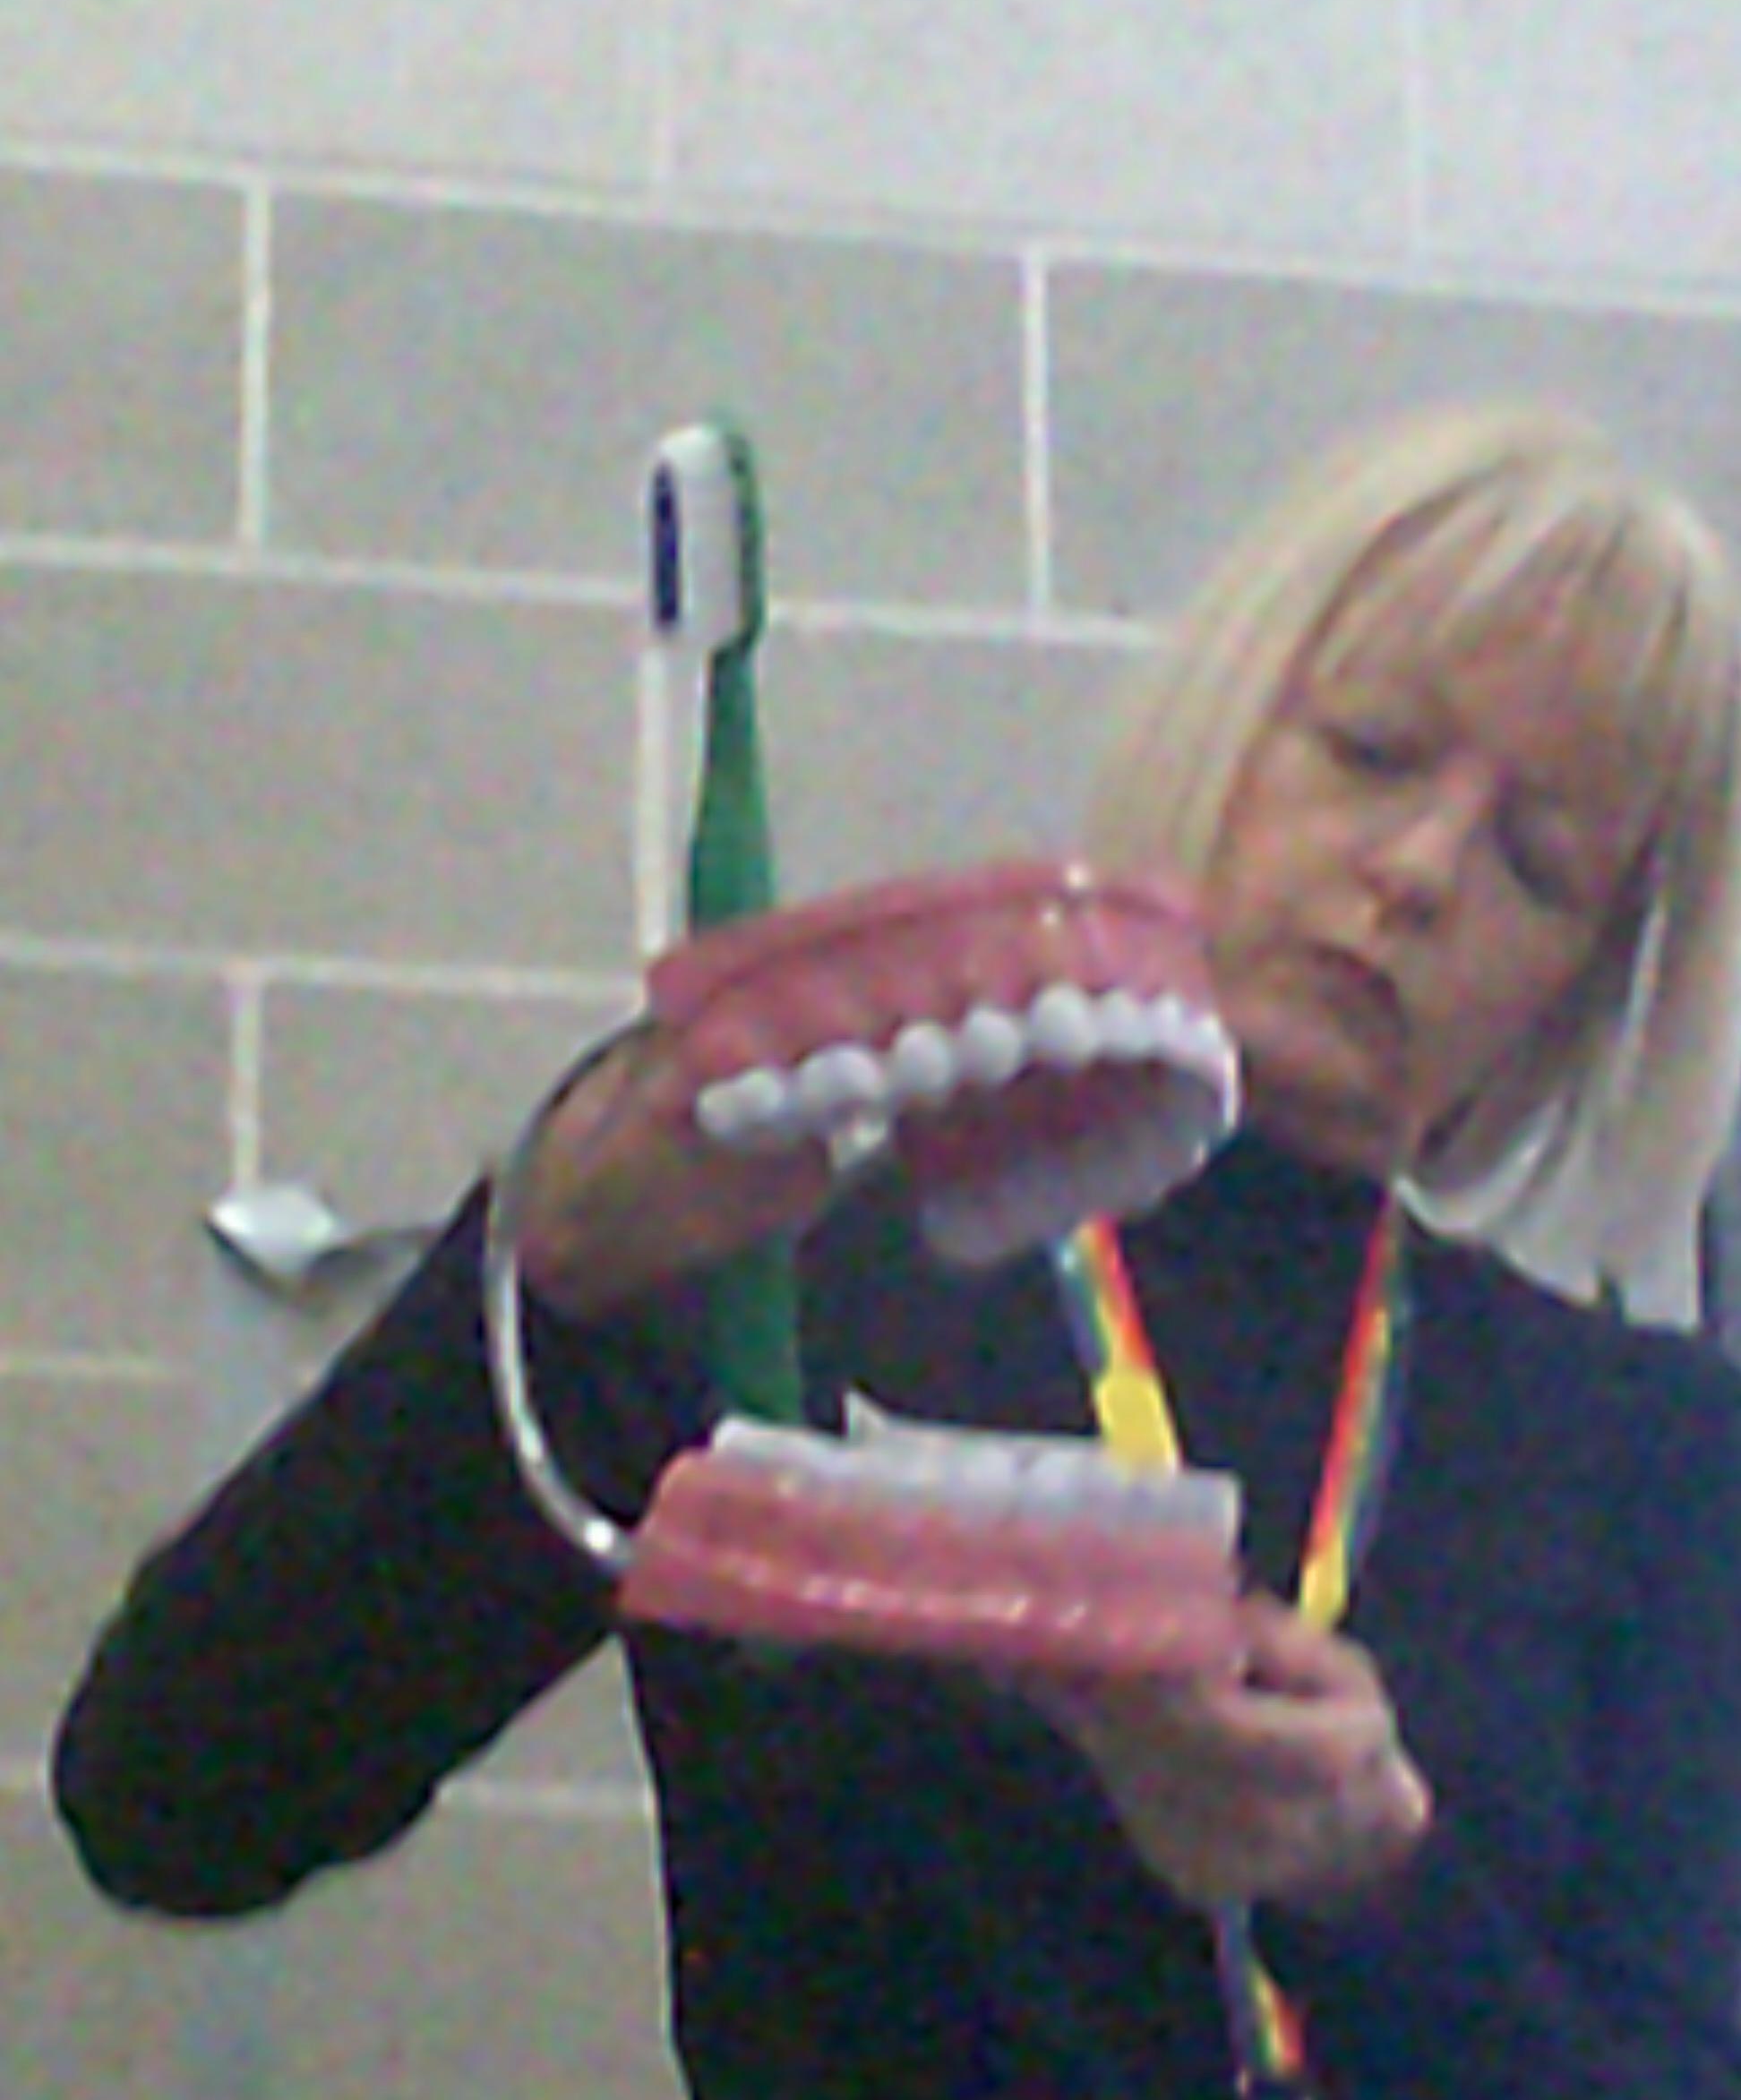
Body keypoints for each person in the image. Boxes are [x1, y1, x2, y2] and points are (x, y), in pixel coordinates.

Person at [52, 405, 1741, 2098]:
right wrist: (538, 1280)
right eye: (1371, 751)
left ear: (1588, 993)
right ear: (1230, 726)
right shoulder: (784, 1289)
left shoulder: (1654, 1461)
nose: (1421, 871)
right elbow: (174, 1801)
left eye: (1539, 862)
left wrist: (1375, 1888)